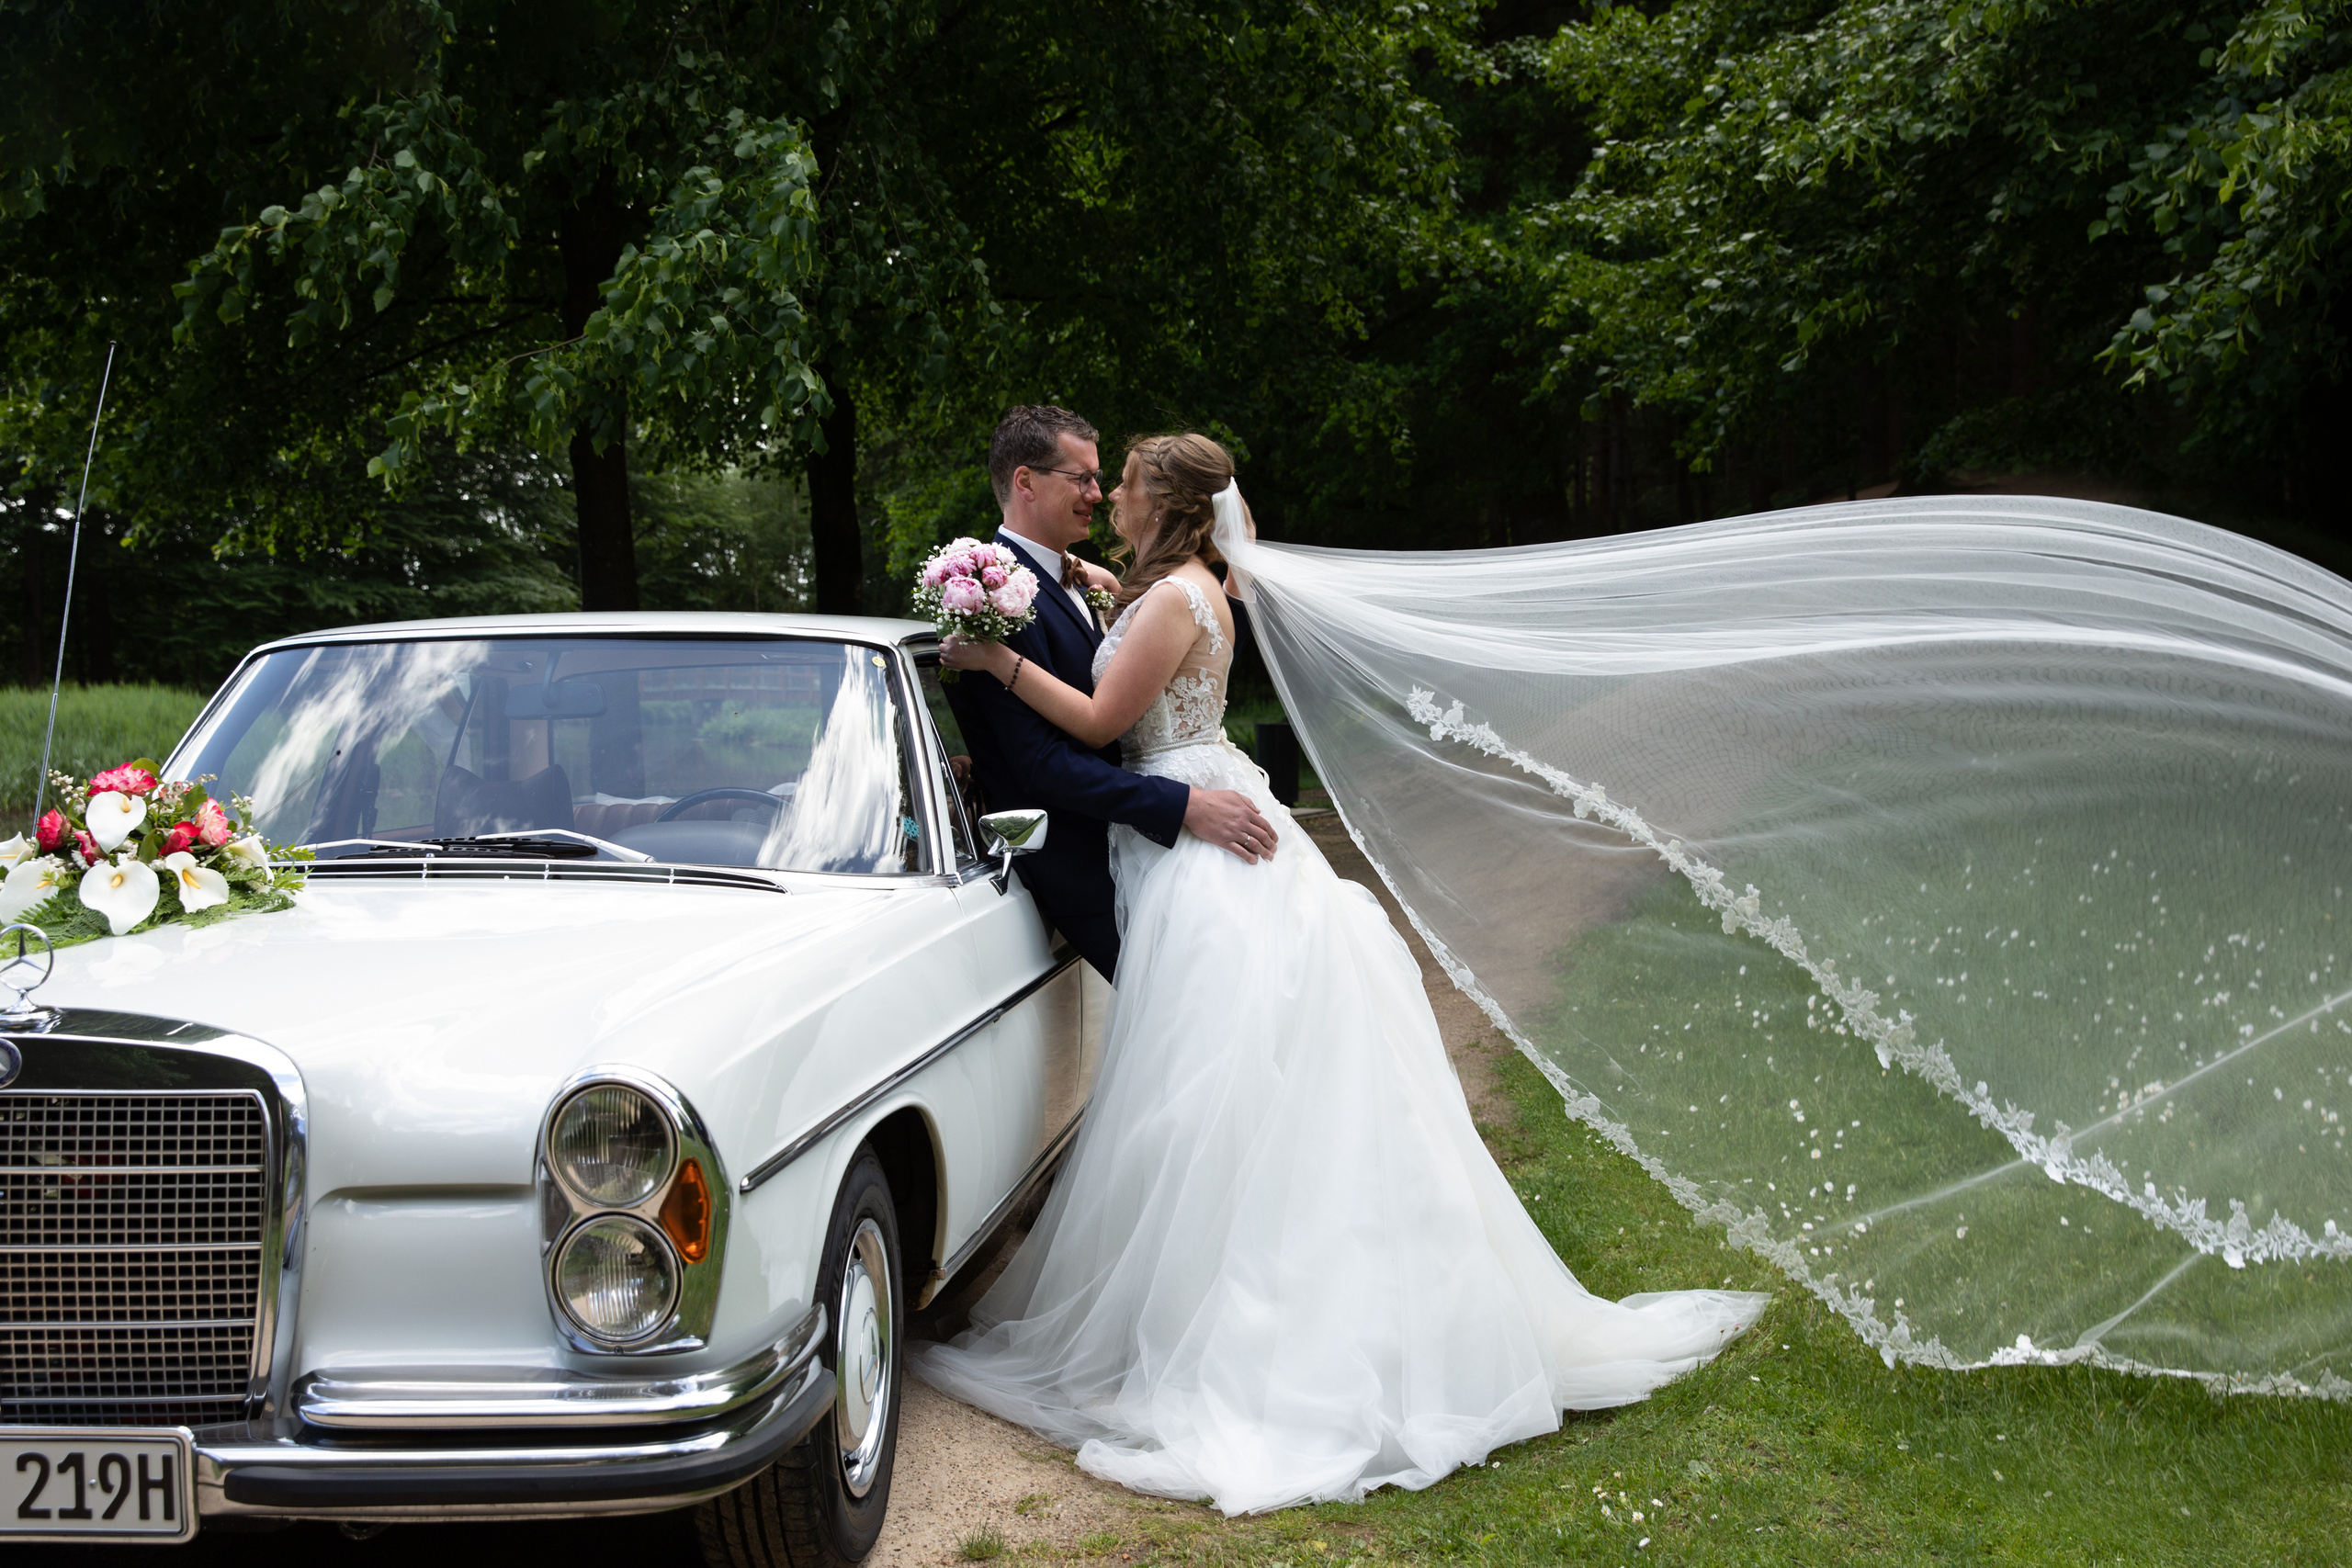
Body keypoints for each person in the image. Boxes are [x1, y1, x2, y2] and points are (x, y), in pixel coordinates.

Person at [912, 433, 1769, 1515]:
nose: (1107, 495)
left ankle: (1246, 1337)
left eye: (1122, 483)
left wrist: (996, 662)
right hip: (1203, 826)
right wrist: (1091, 598)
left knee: (1212, 1089)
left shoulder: (1173, 601)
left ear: (1162, 505)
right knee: (1235, 1085)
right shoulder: (1185, 586)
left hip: (1197, 844)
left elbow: (1093, 721)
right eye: (1097, 479)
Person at [943, 406, 1278, 981]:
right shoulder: (989, 599)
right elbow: (1042, 765)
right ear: (1025, 481)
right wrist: (1185, 806)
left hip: (1148, 847)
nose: (1100, 494)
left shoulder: (1086, 581)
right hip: (1083, 862)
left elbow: (1184, 668)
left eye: (1108, 479)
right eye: (1083, 479)